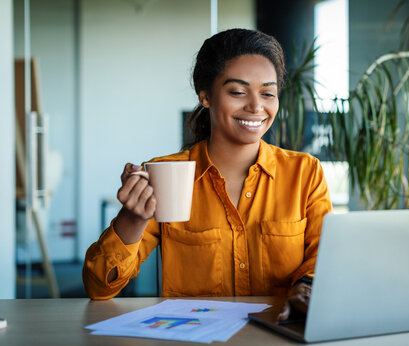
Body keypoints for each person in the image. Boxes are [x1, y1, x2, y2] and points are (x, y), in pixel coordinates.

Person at [83, 28, 332, 320]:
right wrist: (133, 218)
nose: (256, 106)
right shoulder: (165, 174)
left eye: (268, 93)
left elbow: (324, 258)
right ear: (206, 96)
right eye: (238, 92)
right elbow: (99, 287)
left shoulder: (305, 173)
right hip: (194, 343)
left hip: (279, 338)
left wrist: (306, 286)